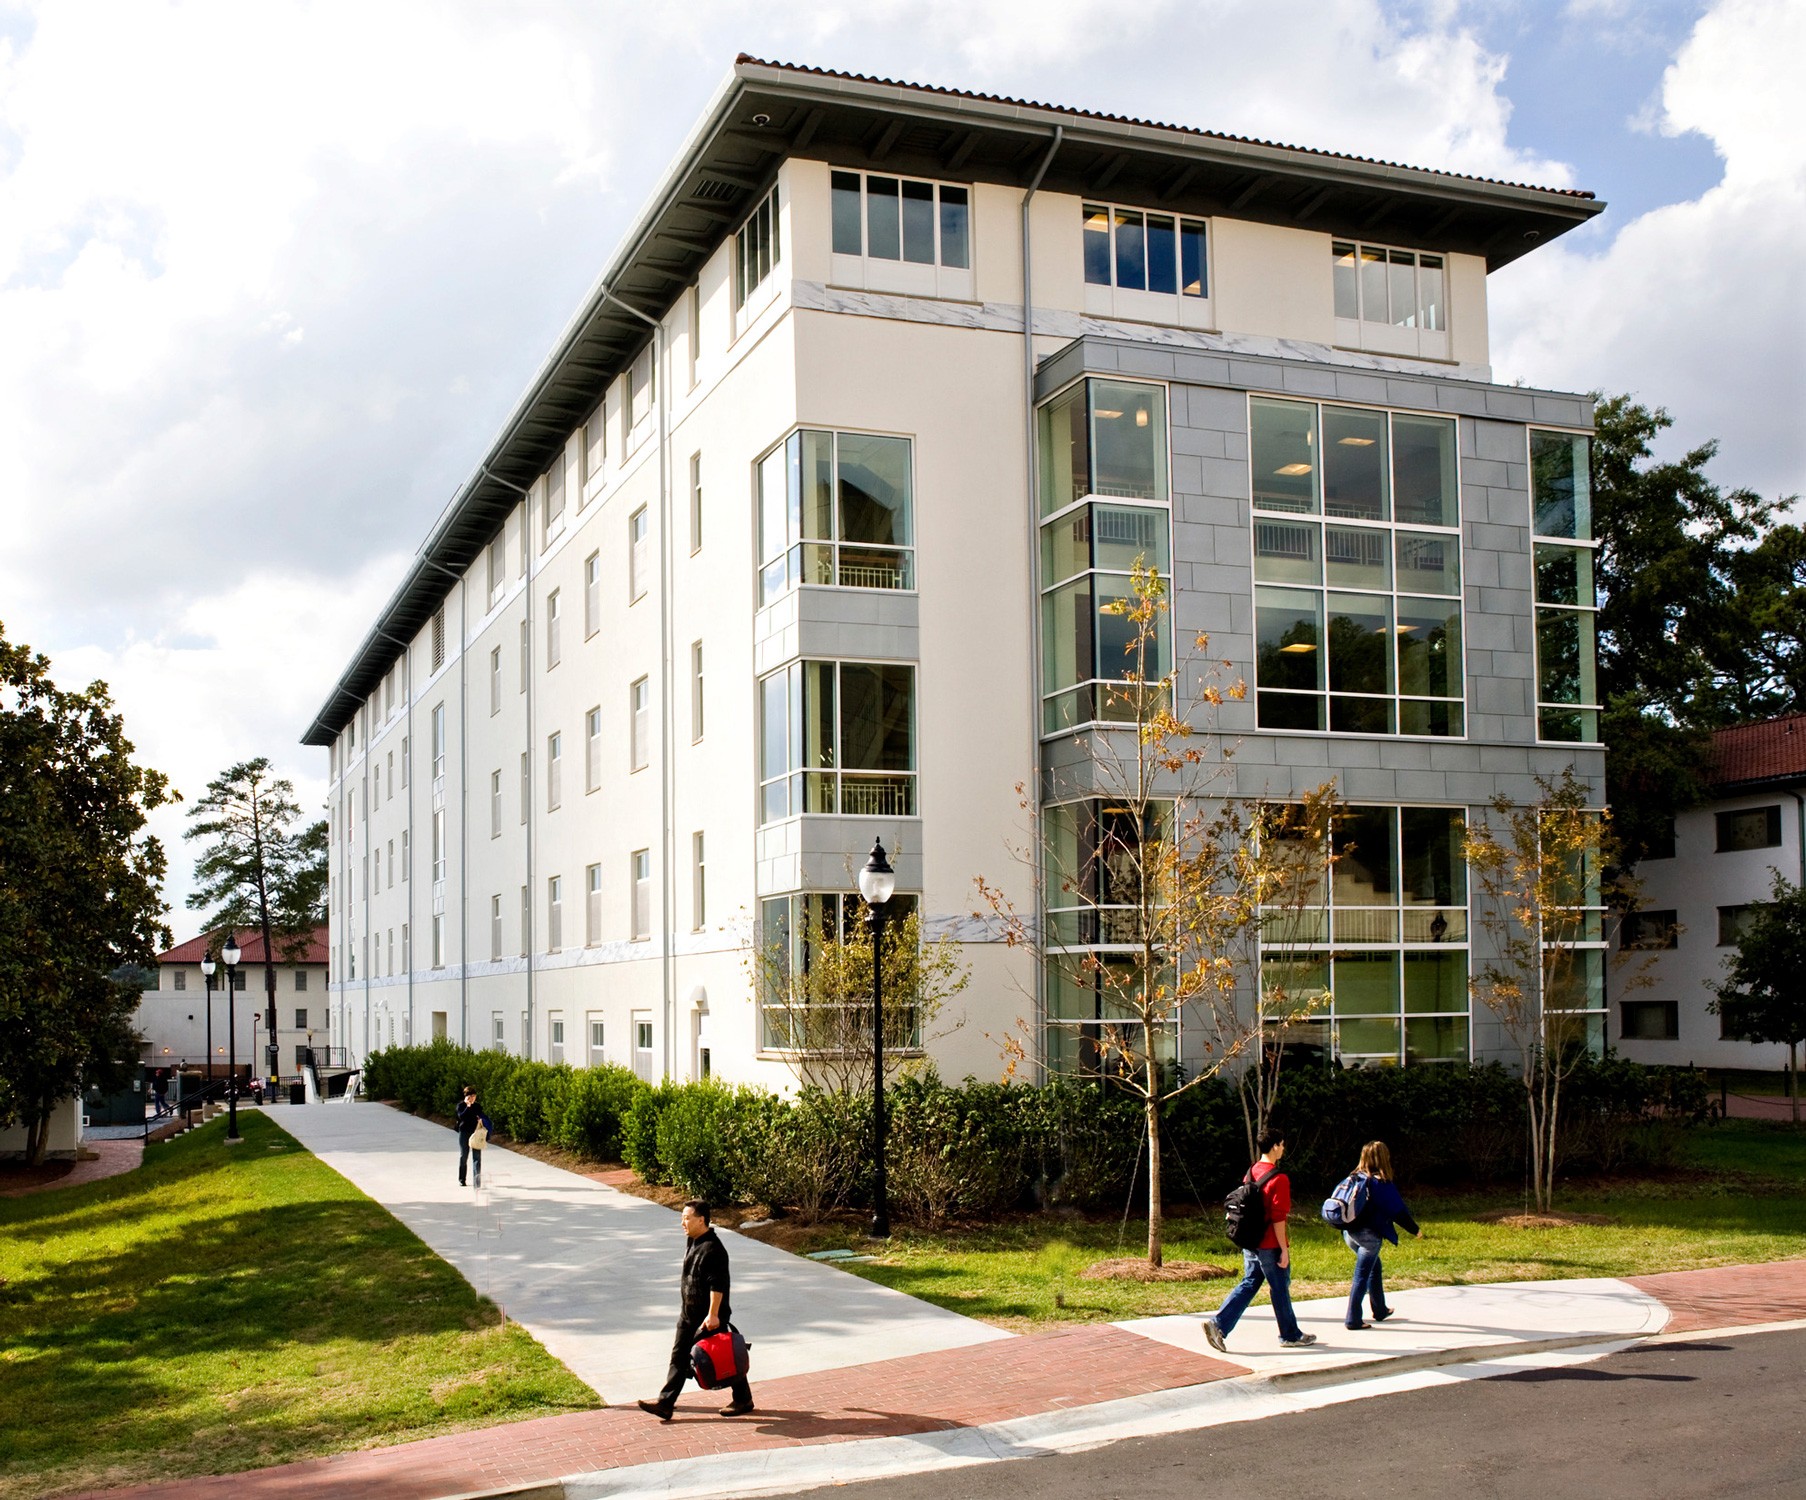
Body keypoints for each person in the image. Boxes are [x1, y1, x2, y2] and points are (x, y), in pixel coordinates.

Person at [638, 1200, 754, 1420]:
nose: (683, 1222)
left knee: (724, 1358)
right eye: (682, 1217)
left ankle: (743, 1399)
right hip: (688, 1314)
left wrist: (713, 1315)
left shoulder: (713, 1249)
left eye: (687, 1218)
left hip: (707, 1317)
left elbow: (717, 1284)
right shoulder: (693, 1240)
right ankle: (666, 1403)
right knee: (679, 1356)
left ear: (701, 1220)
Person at [1202, 1128, 1317, 1351]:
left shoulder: (1252, 1171)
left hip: (1250, 1240)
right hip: (1269, 1244)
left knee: (1251, 1282)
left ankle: (1218, 1325)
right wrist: (1284, 1249)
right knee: (1280, 1287)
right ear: (1274, 1146)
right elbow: (1278, 1217)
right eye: (1282, 1144)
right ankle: (1290, 1335)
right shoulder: (1279, 1178)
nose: (1283, 1148)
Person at [1342, 1139, 1424, 1330]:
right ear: (1383, 1158)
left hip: (1349, 1234)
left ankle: (1380, 1309)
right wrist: (1415, 1230)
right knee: (1361, 1275)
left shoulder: (1355, 1177)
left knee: (1374, 1267)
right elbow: (1398, 1212)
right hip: (1368, 1238)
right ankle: (1353, 1319)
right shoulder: (1380, 1183)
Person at [456, 1086, 489, 1187]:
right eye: (470, 1096)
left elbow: (482, 1116)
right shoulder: (461, 1106)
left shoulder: (478, 1106)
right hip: (464, 1132)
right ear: (466, 1097)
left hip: (476, 1133)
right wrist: (468, 1106)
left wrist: (481, 1119)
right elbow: (461, 1117)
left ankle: (477, 1182)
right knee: (464, 1156)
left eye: (474, 1096)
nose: (473, 1098)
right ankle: (462, 1179)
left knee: (477, 1157)